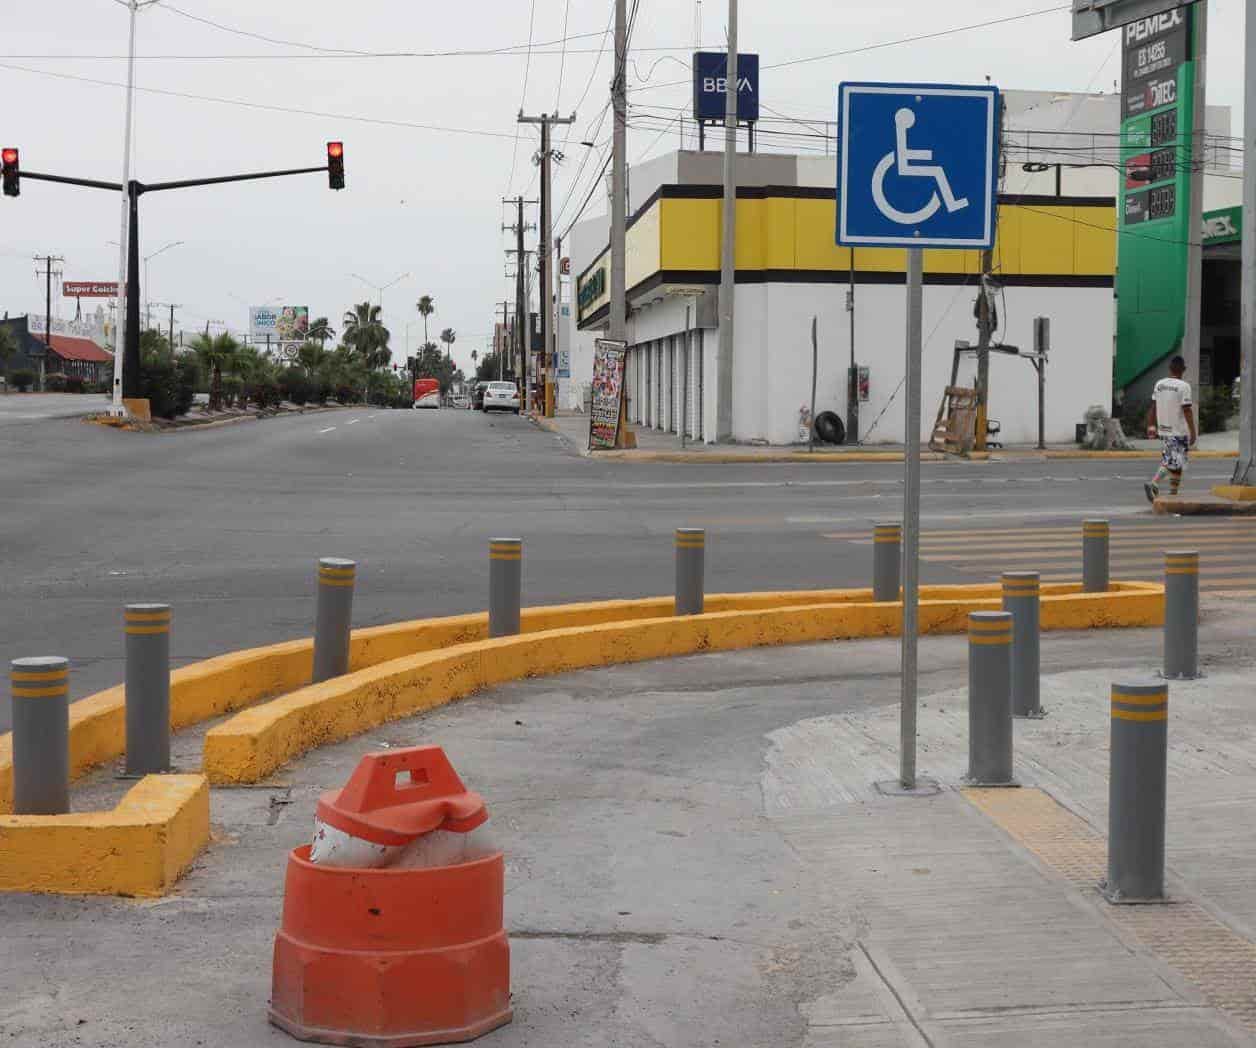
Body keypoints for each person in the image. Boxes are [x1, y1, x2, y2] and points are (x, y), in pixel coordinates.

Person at [1144, 354, 1197, 502]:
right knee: (1174, 462)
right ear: (1184, 369)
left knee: (1176, 462)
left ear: (1170, 368)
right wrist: (1193, 432)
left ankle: (1174, 493)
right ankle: (1153, 482)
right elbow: (1187, 410)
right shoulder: (1184, 386)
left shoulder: (1159, 384)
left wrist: (1151, 425)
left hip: (1164, 430)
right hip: (1178, 431)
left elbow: (1153, 407)